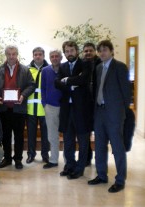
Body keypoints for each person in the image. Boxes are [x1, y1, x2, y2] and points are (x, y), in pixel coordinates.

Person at [88, 40, 131, 193]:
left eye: (105, 50)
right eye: (100, 51)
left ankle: (120, 180)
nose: (102, 53)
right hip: (99, 112)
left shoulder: (119, 67)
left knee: (117, 147)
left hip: (114, 113)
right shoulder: (99, 67)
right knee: (99, 145)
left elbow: (126, 93)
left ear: (112, 51)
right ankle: (101, 175)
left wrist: (120, 111)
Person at [55, 41, 92, 179]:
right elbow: (57, 83)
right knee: (68, 140)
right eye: (67, 51)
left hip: (82, 109)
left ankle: (79, 168)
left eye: (72, 50)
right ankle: (69, 165)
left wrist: (67, 80)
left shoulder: (86, 63)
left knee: (83, 141)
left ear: (77, 51)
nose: (69, 53)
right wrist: (73, 82)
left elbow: (84, 80)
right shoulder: (62, 66)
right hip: (67, 109)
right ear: (64, 53)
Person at [0, 45, 35, 169]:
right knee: (5, 135)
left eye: (14, 54)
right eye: (9, 54)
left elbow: (31, 85)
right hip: (3, 109)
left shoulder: (25, 69)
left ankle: (18, 159)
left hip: (19, 108)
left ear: (17, 54)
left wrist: (23, 95)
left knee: (19, 135)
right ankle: (7, 158)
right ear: (6, 55)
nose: (11, 56)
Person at [26, 47, 50, 164]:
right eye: (35, 54)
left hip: (45, 108)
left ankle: (45, 155)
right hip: (30, 108)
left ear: (43, 56)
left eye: (40, 54)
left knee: (46, 134)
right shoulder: (26, 69)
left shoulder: (49, 69)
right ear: (33, 56)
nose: (38, 56)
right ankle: (31, 155)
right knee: (31, 134)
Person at [41, 49, 63, 169]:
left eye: (56, 56)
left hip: (65, 107)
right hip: (50, 106)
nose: (54, 58)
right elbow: (43, 88)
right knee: (52, 135)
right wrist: (44, 103)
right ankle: (53, 160)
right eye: (52, 56)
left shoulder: (65, 69)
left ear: (61, 57)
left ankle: (68, 161)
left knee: (68, 135)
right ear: (49, 58)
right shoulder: (45, 70)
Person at [82, 42, 102, 166]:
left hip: (98, 105)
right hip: (84, 105)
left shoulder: (101, 63)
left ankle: (100, 160)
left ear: (95, 51)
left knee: (100, 134)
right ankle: (86, 158)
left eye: (90, 50)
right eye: (86, 51)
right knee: (85, 134)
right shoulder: (81, 64)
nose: (88, 53)